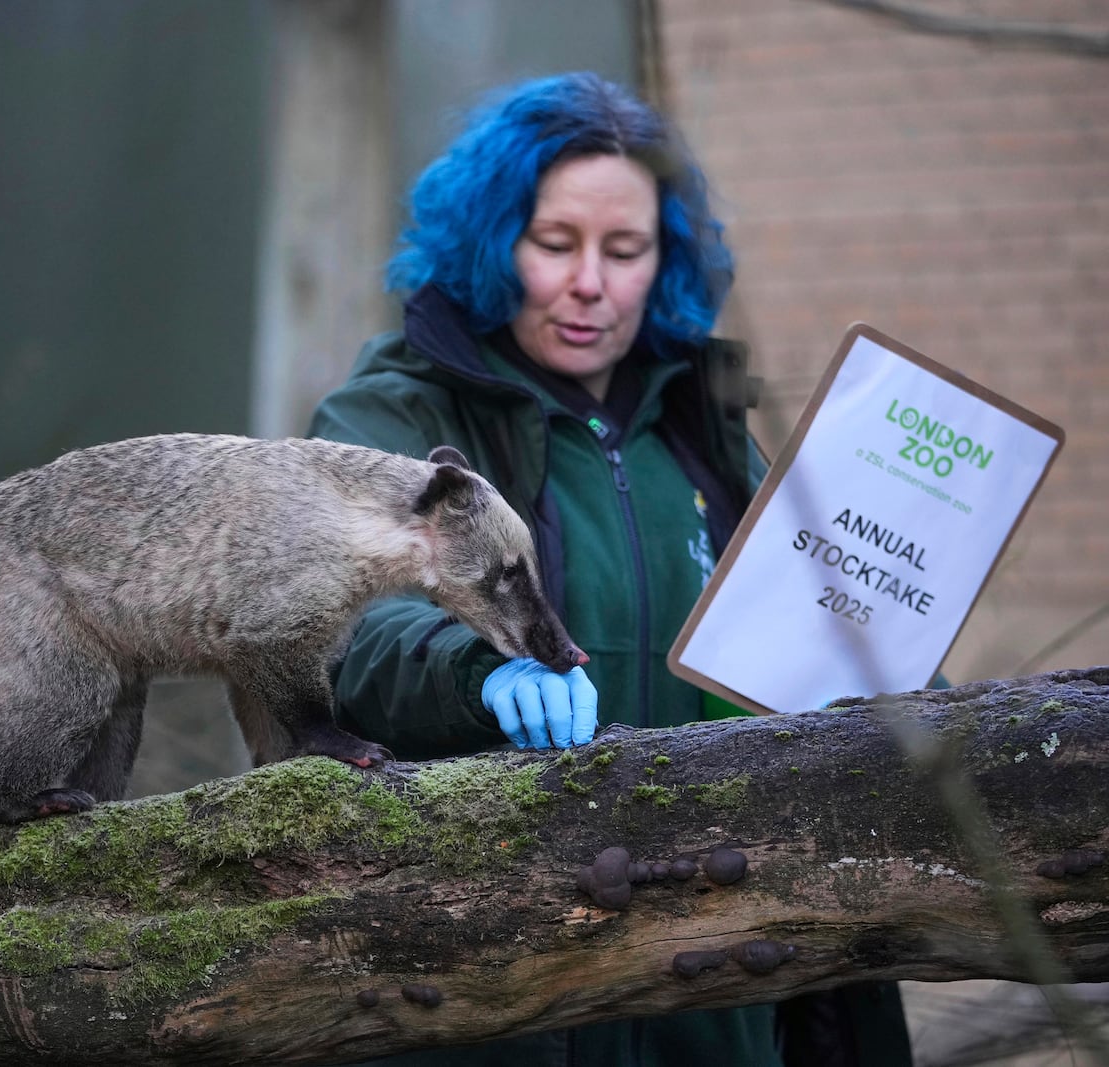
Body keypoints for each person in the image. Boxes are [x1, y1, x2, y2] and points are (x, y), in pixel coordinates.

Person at [309, 72, 911, 1067]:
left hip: (709, 1002)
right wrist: (478, 670)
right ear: (493, 241)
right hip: (483, 1000)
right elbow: (341, 628)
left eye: (624, 251)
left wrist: (901, 662)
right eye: (555, 245)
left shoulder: (703, 437)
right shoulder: (400, 416)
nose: (590, 282)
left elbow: (814, 634)